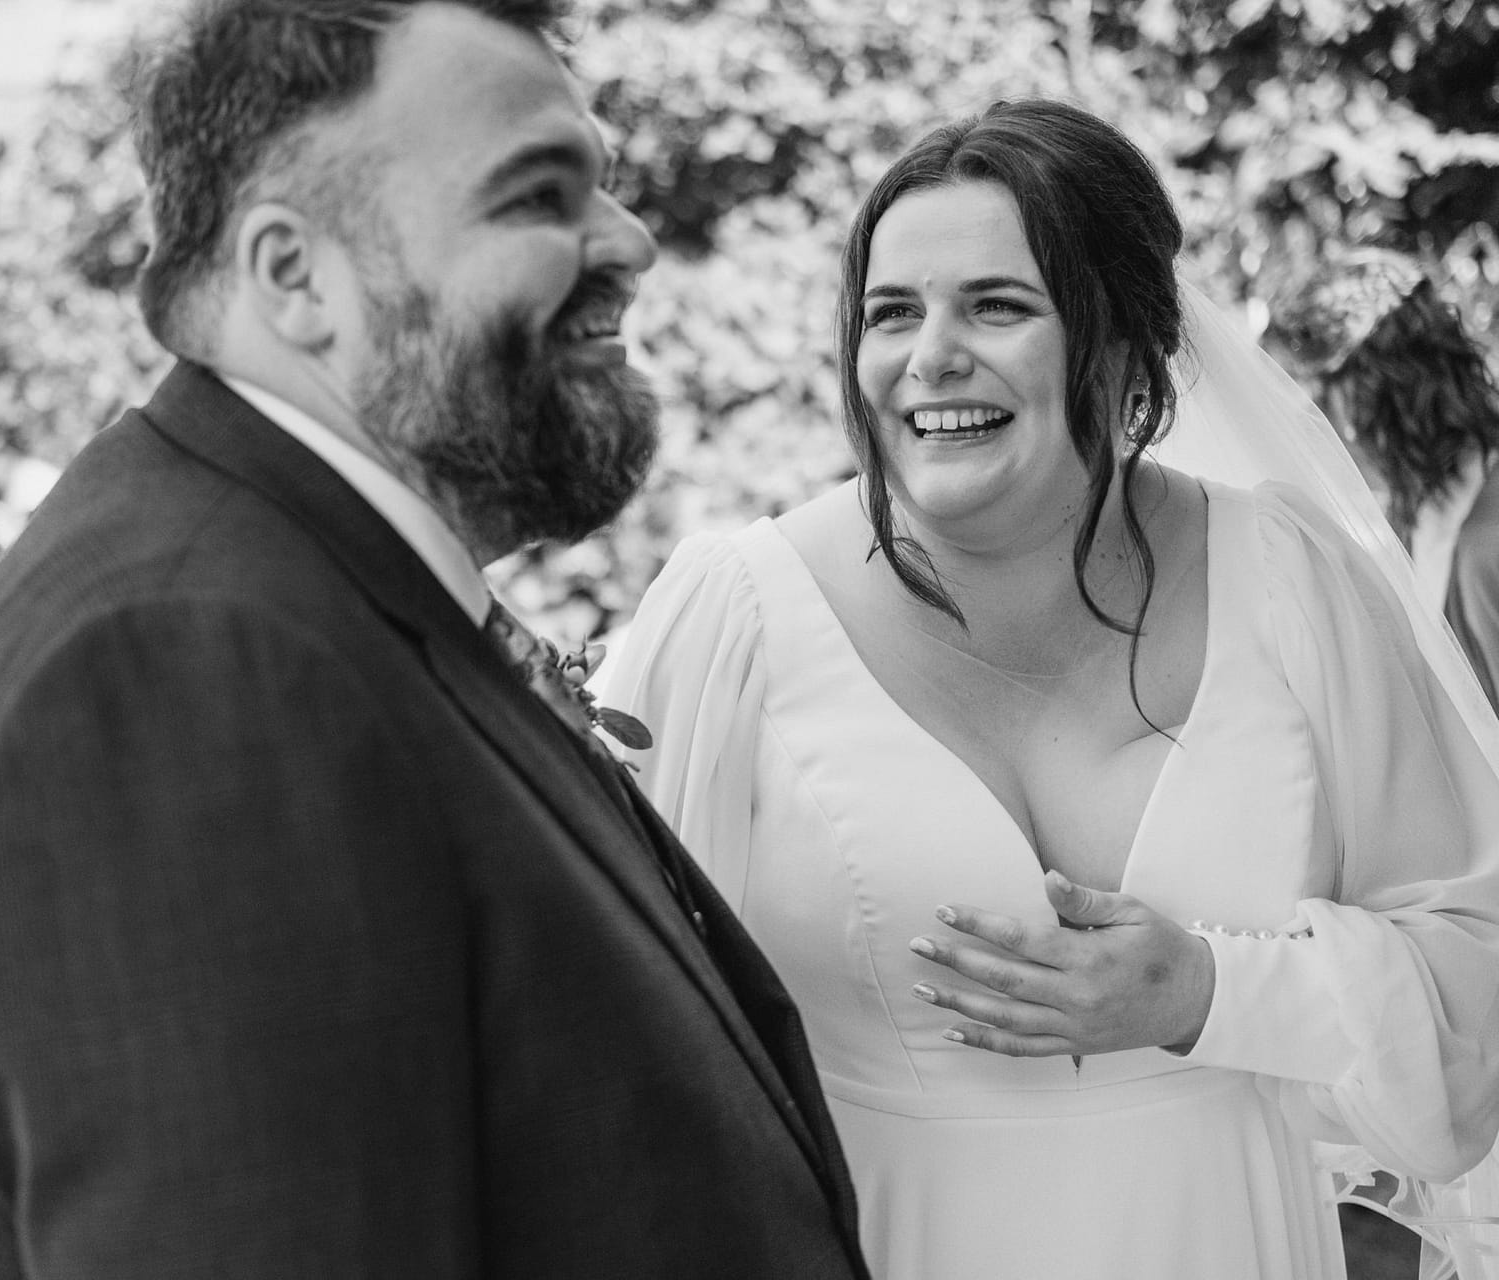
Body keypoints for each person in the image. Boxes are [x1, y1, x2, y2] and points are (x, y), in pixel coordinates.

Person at [0, 2, 865, 1278]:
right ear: (295, 277)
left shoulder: (291, 587)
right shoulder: (185, 673)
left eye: (602, 184)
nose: (632, 242)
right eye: (538, 192)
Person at [602, 98, 1499, 1280]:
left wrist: (1209, 987)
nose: (929, 356)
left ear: (1122, 343)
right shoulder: (737, 618)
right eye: (891, 313)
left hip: (1224, 1233)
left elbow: (1472, 980)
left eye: (997, 304)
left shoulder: (1289, 581)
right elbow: (596, 1011)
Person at [1268, 252, 1499, 708]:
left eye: (1311, 409)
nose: (1312, 438)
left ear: (1358, 399)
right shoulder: (1411, 518)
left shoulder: (1485, 548)